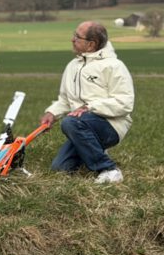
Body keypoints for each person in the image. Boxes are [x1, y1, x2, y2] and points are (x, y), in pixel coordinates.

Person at [40, 21, 134, 183]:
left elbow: (125, 103)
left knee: (70, 122)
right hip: (80, 124)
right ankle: (94, 150)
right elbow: (65, 99)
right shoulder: (72, 66)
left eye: (77, 37)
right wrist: (52, 113)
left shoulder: (114, 66)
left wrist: (90, 107)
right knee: (60, 168)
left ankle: (109, 169)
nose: (72, 39)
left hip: (111, 125)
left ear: (91, 44)